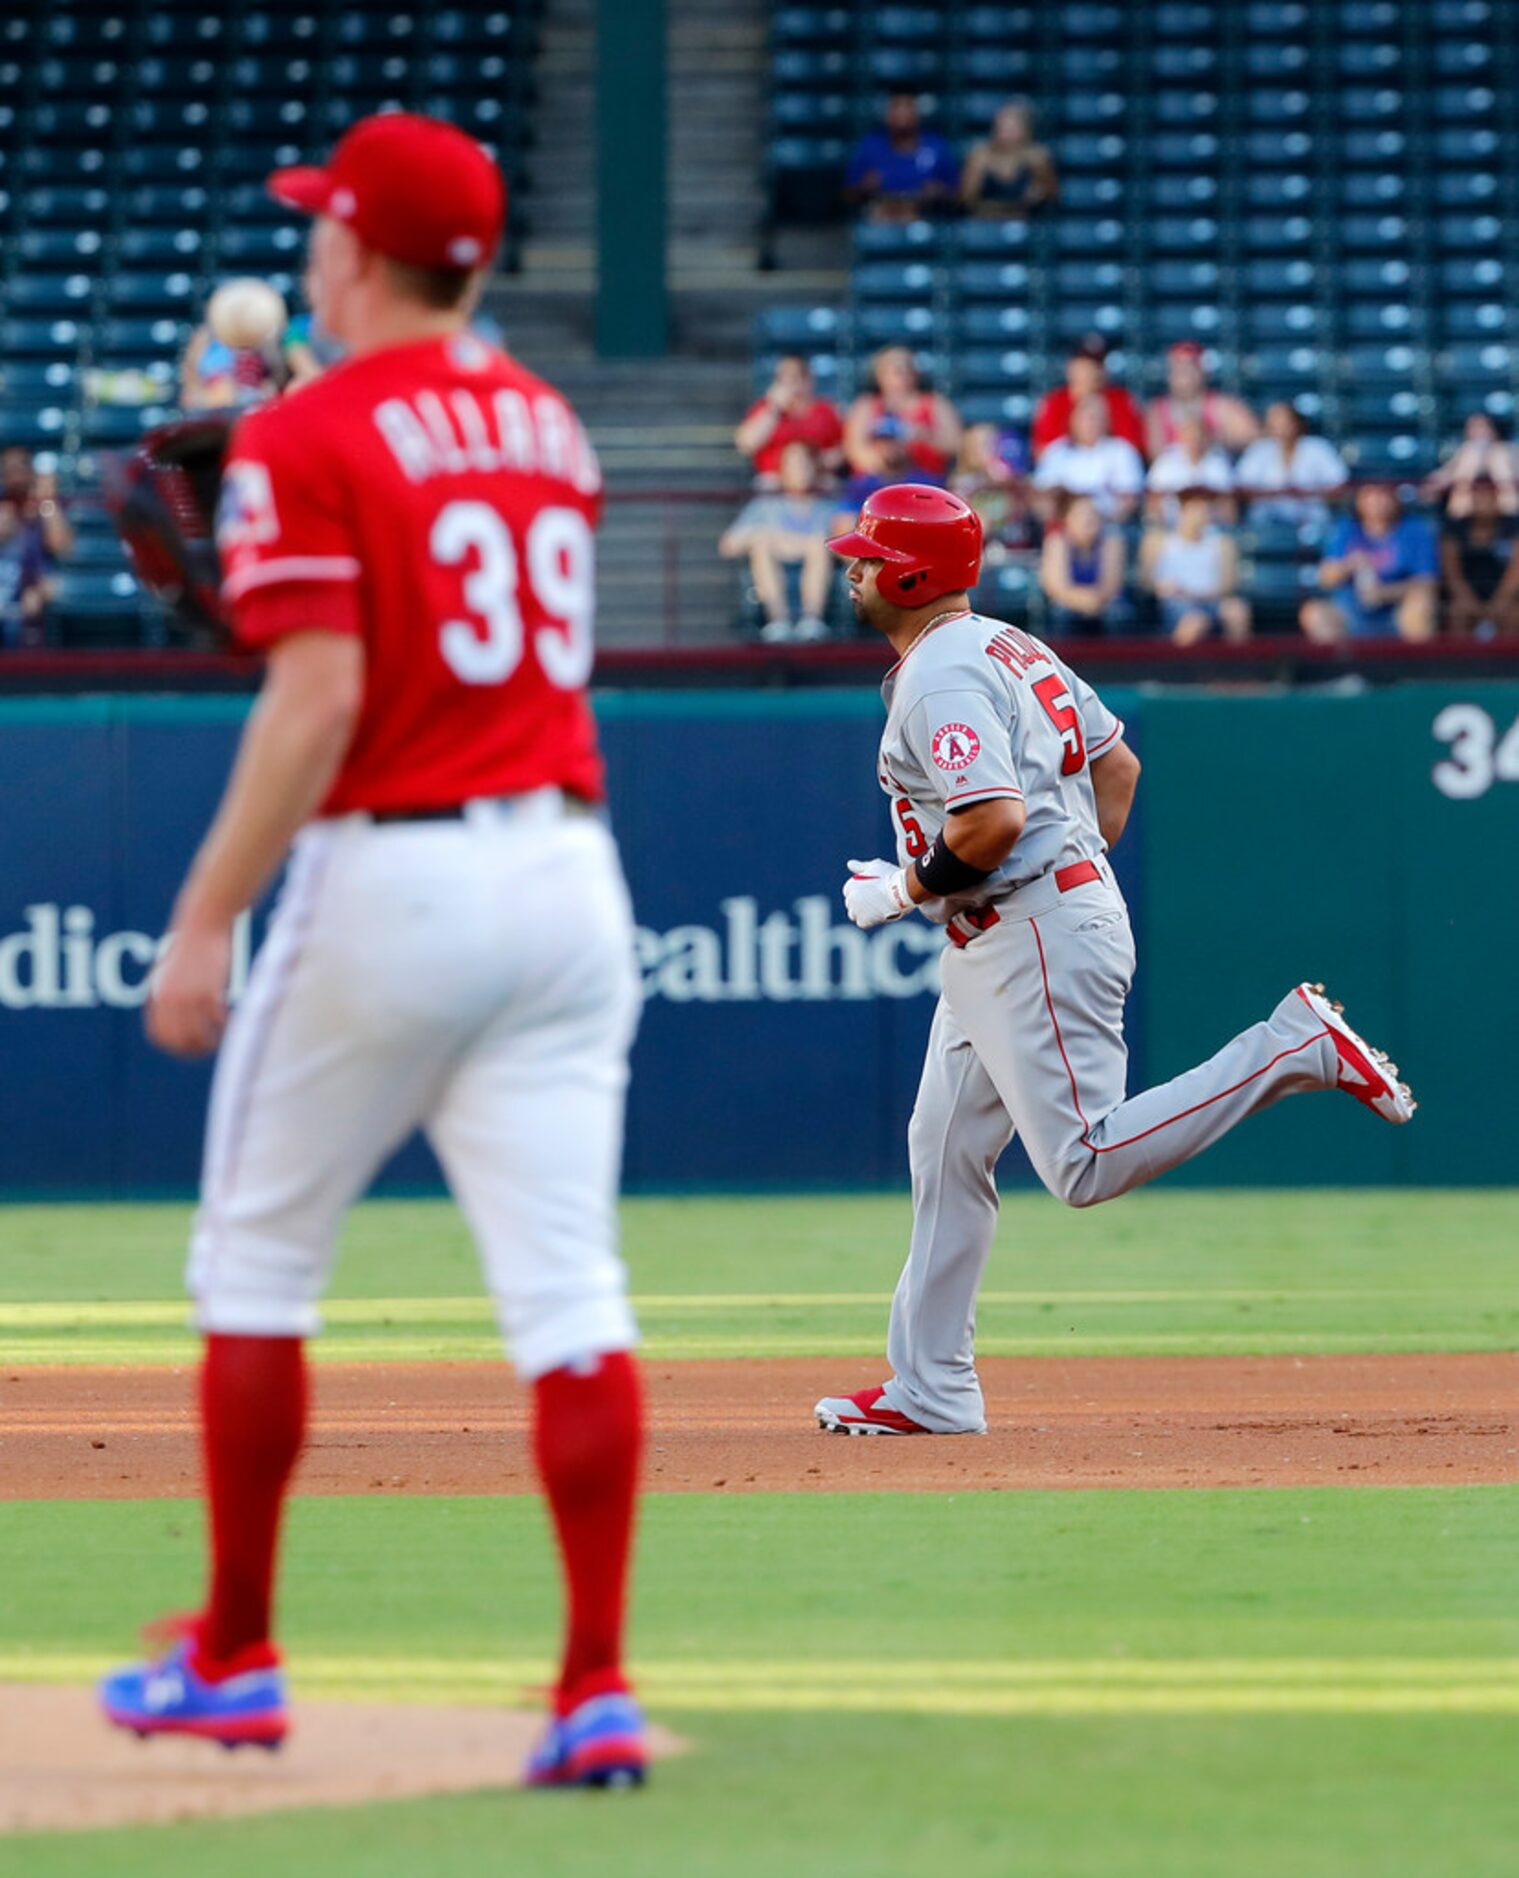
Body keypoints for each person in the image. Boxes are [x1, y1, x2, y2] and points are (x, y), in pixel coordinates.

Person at [97, 113, 651, 1792]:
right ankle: (596, 1682)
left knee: (253, 1270)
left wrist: (202, 917)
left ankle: (237, 1650)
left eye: (321, 228)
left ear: (353, 252)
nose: (312, 250)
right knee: (569, 1296)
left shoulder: (314, 425)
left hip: (388, 875)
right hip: (565, 872)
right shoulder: (548, 423)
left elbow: (324, 691)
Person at [811, 484, 1415, 1436]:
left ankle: (1289, 1047)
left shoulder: (942, 674)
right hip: (1016, 928)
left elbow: (995, 818)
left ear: (911, 572)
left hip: (1028, 929)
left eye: (867, 556)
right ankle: (930, 1386)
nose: (852, 568)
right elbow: (1116, 769)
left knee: (1084, 1162)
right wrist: (1074, 869)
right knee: (944, 1148)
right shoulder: (1010, 643)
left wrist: (908, 891)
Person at [719, 441, 839, 641]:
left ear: (815, 468)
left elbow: (847, 549)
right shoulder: (766, 504)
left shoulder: (828, 506)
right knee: (762, 542)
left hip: (819, 569)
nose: (799, 470)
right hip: (774, 564)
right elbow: (729, 545)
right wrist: (766, 536)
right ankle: (778, 620)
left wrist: (807, 543)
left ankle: (812, 619)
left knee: (818, 543)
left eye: (804, 463)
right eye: (793, 464)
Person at [1300, 483, 1439, 644]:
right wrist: (1349, 565)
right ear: (1360, 499)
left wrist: (1383, 592)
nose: (1378, 501)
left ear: (1396, 499)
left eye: (1384, 494)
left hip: (1396, 611)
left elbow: (1427, 584)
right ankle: (1340, 667)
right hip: (1350, 611)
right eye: (1371, 494)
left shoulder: (1415, 530)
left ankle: (1414, 666)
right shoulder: (1346, 528)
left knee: (1421, 605)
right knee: (1313, 613)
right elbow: (1325, 578)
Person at [1139, 490, 1252, 646]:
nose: (1201, 515)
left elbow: (1228, 585)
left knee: (1237, 611)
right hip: (1176, 605)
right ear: (1181, 512)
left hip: (1212, 601)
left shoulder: (1223, 543)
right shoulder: (1158, 541)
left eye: (1205, 510)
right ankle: (1178, 667)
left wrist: (1196, 594)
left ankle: (1240, 667)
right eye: (1195, 510)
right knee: (1194, 622)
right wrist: (1164, 589)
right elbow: (1147, 582)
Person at [843, 92, 958, 223]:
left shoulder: (937, 146)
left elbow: (958, 195)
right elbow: (848, 194)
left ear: (918, 114)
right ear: (886, 115)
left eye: (908, 106)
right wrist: (864, 188)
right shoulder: (869, 145)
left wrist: (940, 192)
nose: (902, 113)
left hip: (925, 220)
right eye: (896, 107)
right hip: (880, 220)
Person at [734, 354, 845, 487]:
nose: (792, 383)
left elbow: (844, 450)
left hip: (817, 481)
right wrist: (774, 408)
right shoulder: (765, 409)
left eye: (796, 376)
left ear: (809, 379)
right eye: (784, 377)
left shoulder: (826, 410)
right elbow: (746, 444)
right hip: (774, 482)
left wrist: (814, 463)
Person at [1030, 336, 1146, 462]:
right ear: (1071, 367)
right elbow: (1042, 452)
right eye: (1083, 363)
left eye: (1096, 364)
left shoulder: (1120, 400)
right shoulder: (1054, 402)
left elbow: (1134, 449)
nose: (1090, 370)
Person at [1234, 402, 1348, 529]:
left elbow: (1338, 484)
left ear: (1295, 423)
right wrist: (1271, 493)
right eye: (1274, 421)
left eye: (1283, 421)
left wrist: (1308, 493)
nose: (1278, 426)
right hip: (1266, 520)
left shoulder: (1317, 448)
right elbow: (1242, 485)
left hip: (1311, 519)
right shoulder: (1259, 449)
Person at [1032, 394, 1145, 522]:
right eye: (1085, 417)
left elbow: (1130, 498)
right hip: (1064, 524)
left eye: (1096, 418)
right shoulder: (1057, 451)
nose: (1091, 423)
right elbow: (1042, 494)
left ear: (1107, 421)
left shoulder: (1122, 450)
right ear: (1073, 420)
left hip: (1109, 524)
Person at [1144, 341, 1258, 460]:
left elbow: (1254, 437)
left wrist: (1210, 440)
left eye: (1190, 369)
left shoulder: (1221, 405)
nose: (1184, 376)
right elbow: (1155, 456)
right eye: (1179, 369)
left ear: (1203, 372)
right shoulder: (1157, 410)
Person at [1440, 475, 1519, 637]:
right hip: (1466, 595)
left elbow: (1516, 570)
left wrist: (1500, 601)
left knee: (1514, 614)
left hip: (1505, 595)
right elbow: (1452, 572)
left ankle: (1507, 662)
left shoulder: (1513, 526)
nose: (1483, 500)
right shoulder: (1455, 527)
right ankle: (1459, 662)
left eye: (1488, 495)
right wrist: (1469, 601)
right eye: (1478, 494)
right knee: (1458, 613)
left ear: (1497, 497)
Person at [1038, 494, 1128, 635]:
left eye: (1092, 514)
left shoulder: (1111, 542)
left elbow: (1111, 586)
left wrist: (1095, 601)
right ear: (1067, 519)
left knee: (1118, 615)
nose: (1088, 520)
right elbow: (1057, 588)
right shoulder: (1056, 542)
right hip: (1069, 603)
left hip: (1103, 602)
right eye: (1081, 514)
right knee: (1060, 614)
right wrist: (1085, 602)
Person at [958, 99, 1059, 219]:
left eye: (1011, 128)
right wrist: (1007, 209)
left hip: (1026, 224)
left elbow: (1053, 195)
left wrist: (1039, 193)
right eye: (1001, 127)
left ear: (1025, 130)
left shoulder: (1037, 157)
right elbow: (965, 200)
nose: (1004, 133)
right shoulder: (979, 156)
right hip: (985, 222)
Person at [949, 421, 1034, 552]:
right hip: (981, 550)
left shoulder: (1016, 478)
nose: (993, 450)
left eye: (994, 444)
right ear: (969, 451)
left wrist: (1010, 482)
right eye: (984, 445)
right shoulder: (962, 484)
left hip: (1016, 545)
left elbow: (1028, 506)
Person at [1422, 411, 1519, 519]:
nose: (1476, 432)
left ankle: (1511, 514)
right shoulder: (1463, 453)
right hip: (1465, 516)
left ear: (1494, 430)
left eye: (1481, 427)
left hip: (1507, 512)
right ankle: (1460, 510)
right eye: (1472, 427)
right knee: (1470, 456)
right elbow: (1432, 486)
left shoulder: (1508, 450)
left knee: (1498, 456)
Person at [1144, 413, 1234, 525]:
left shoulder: (1218, 462)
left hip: (1211, 525)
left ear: (1207, 437)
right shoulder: (1166, 461)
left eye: (1200, 435)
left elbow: (1227, 501)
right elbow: (1153, 499)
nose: (1195, 440)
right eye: (1190, 435)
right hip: (1172, 525)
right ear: (1181, 436)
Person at [179, 321, 287, 412]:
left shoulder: (264, 337)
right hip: (214, 410)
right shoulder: (206, 336)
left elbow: (275, 381)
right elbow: (191, 381)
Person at [1, 445, 73, 565]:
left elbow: (60, 546)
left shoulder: (47, 504)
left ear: (31, 471)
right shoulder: (3, 504)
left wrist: (47, 500)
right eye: (8, 470)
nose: (15, 477)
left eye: (19, 468)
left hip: (39, 578)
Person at [0, 498, 48, 647]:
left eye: (8, 515)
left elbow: (45, 581)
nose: (3, 520)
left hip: (15, 614)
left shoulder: (26, 548)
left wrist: (37, 593)